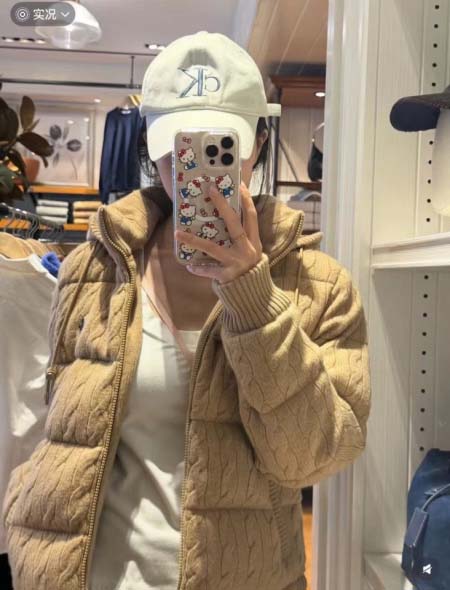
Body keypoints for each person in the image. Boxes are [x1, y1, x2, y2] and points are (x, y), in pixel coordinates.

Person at [1, 31, 371, 590]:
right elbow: (63, 429)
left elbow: (310, 460)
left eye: (217, 146)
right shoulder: (94, 267)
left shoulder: (319, 287)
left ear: (258, 144)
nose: (190, 167)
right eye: (176, 145)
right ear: (149, 145)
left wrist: (253, 296)